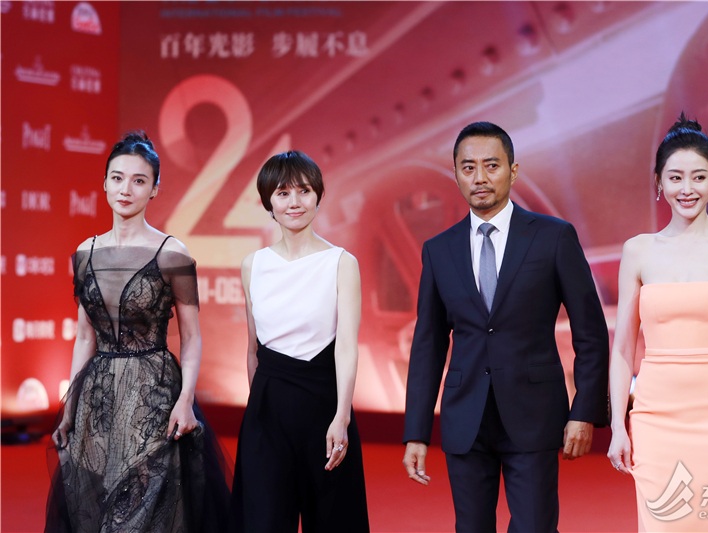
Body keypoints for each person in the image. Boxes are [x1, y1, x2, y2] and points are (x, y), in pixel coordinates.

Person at [402, 121, 609, 532]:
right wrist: (416, 433)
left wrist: (584, 410)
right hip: (465, 418)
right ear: (456, 174)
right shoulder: (439, 250)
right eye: (468, 167)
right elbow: (428, 346)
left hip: (534, 415)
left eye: (491, 165)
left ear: (513, 171)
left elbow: (590, 331)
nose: (479, 177)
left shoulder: (553, 237)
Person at [45, 132, 230, 532]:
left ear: (154, 189)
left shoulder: (172, 253)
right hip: (98, 400)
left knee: (144, 515)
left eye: (138, 180)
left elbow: (192, 337)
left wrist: (185, 401)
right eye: (117, 178)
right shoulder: (85, 253)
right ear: (104, 183)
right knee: (95, 513)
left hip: (153, 397)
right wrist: (70, 408)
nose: (125, 189)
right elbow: (85, 337)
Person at [607, 113, 708, 532]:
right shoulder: (638, 251)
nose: (686, 188)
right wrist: (618, 425)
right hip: (655, 414)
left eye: (699, 177)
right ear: (659, 182)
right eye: (675, 177)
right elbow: (623, 349)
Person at [228, 151, 370, 532]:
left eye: (304, 191)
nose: (295, 202)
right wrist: (257, 411)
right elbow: (253, 348)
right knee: (263, 520)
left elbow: (347, 347)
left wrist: (342, 416)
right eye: (283, 193)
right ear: (268, 202)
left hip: (325, 407)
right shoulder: (253, 265)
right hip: (267, 412)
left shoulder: (341, 262)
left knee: (333, 520)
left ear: (318, 196)